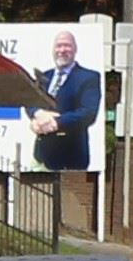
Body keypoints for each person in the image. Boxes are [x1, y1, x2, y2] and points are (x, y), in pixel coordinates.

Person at [30, 30, 101, 173]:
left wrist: (56, 122)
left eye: (67, 46)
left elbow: (88, 113)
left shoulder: (88, 77)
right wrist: (37, 114)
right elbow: (31, 101)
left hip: (71, 157)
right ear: (53, 50)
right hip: (41, 156)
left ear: (75, 49)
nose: (62, 50)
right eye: (59, 46)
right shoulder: (45, 76)